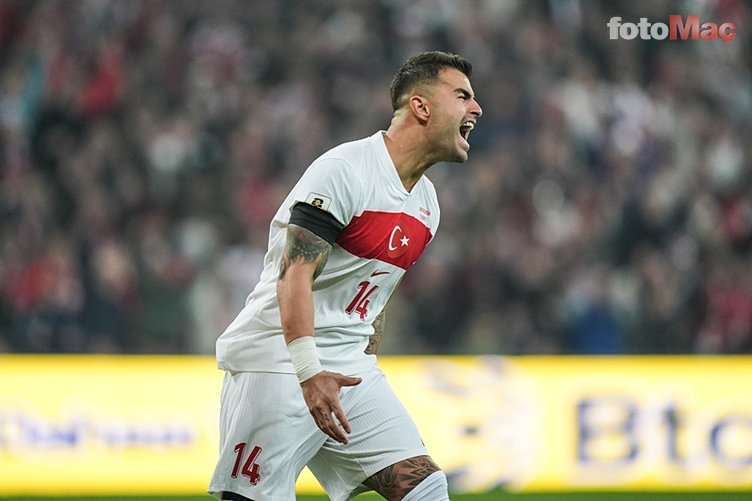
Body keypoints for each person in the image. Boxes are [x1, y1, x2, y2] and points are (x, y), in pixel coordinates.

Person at [208, 51, 482, 501]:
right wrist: (308, 371)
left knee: (425, 488)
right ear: (421, 106)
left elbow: (375, 293)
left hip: (351, 371)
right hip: (280, 362)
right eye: (462, 96)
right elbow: (293, 274)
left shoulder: (427, 205)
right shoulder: (345, 170)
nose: (477, 108)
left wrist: (365, 353)